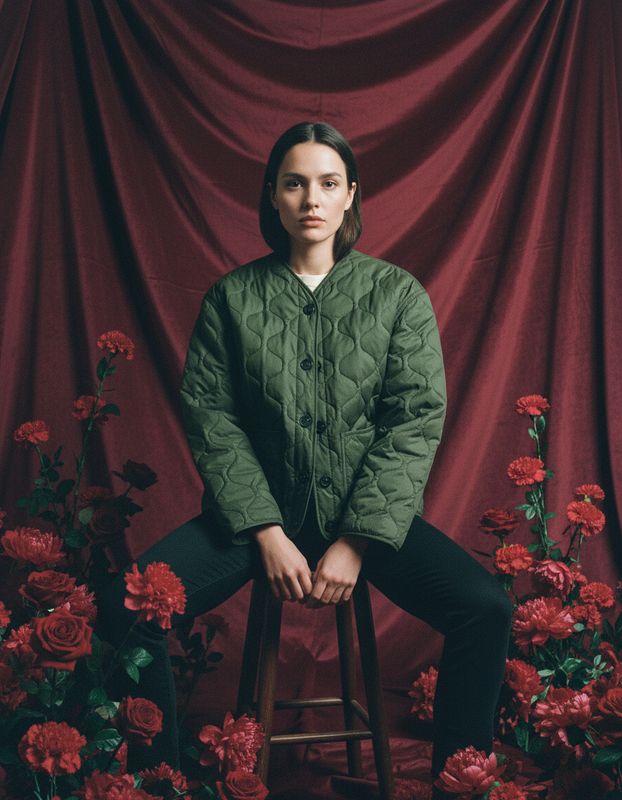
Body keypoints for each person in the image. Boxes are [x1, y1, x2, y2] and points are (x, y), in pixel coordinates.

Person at [96, 122, 512, 798]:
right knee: (124, 607)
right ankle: (157, 785)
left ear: (351, 195)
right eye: (294, 183)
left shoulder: (398, 295)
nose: (310, 199)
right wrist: (264, 530)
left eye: (326, 183)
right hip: (249, 523)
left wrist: (355, 541)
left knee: (486, 608)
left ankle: (457, 788)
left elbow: (414, 420)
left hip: (367, 522)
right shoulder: (232, 299)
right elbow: (213, 419)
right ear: (273, 197)